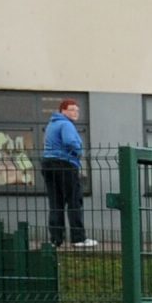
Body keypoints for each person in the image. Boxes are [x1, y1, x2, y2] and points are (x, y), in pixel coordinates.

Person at [40, 98, 95, 248]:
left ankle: (56, 240)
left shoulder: (52, 124)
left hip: (48, 164)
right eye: (71, 109)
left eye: (77, 110)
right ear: (62, 111)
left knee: (56, 203)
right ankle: (78, 238)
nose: (75, 112)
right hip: (65, 164)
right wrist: (79, 152)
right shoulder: (66, 124)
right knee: (74, 201)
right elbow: (70, 142)